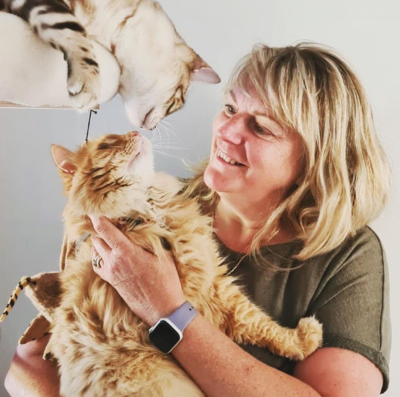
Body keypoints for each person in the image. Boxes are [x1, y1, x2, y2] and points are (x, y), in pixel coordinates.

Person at [5, 42, 391, 397]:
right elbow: (32, 369)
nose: (227, 131)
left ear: (315, 159)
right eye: (229, 108)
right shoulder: (159, 205)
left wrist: (168, 310)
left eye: (260, 127)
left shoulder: (349, 256)